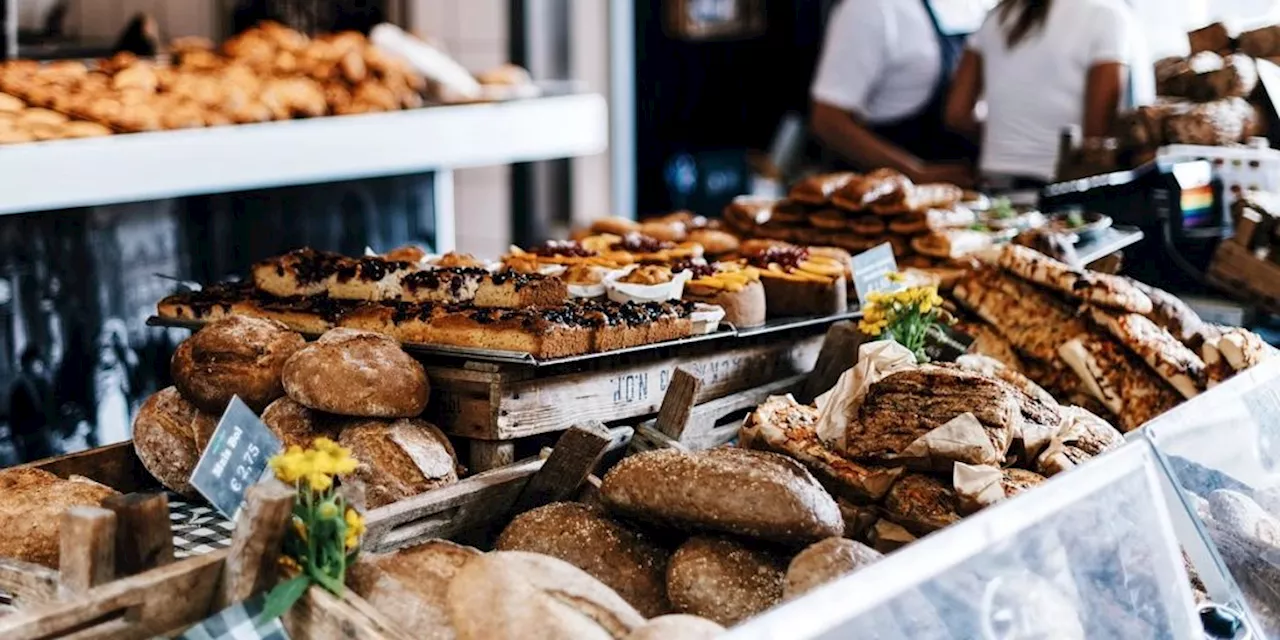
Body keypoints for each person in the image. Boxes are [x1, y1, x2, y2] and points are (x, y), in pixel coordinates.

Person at [944, 0, 1151, 188]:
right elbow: (1095, 138)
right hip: (1060, 189)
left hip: (994, 183)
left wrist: (1011, 138)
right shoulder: (1107, 15)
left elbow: (957, 114)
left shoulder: (998, 15)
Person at [810, 0, 989, 187]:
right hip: (887, 197)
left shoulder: (976, 9)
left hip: (966, 197)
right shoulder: (872, 7)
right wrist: (916, 173)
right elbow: (828, 120)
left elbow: (961, 114)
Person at [7, 346, 55, 462]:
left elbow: (49, 408)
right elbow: (14, 416)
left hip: (43, 434)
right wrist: (17, 439)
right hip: (28, 438)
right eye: (33, 362)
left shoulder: (42, 383)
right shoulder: (18, 387)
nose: (36, 366)